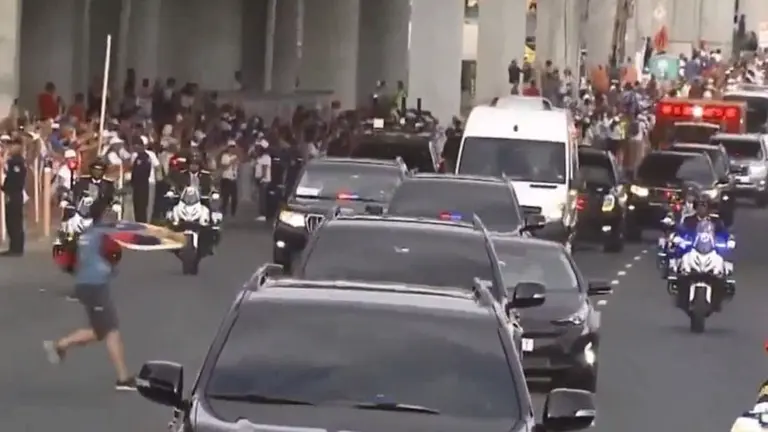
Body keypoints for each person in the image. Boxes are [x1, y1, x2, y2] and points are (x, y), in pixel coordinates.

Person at [43, 209, 136, 391]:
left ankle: (60, 345)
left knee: (100, 331)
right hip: (96, 286)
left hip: (84, 284)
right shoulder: (105, 235)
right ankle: (123, 379)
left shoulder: (88, 234)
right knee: (111, 330)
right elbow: (118, 250)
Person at [1, 139, 26, 256]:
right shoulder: (14, 162)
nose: (9, 148)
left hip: (14, 194)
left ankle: (16, 248)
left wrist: (6, 188)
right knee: (12, 220)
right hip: (12, 193)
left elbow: (15, 180)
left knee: (14, 221)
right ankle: (14, 247)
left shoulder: (16, 162)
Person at [130, 135, 160, 223]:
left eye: (140, 144)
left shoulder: (150, 154)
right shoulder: (134, 155)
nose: (137, 146)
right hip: (137, 184)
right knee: (137, 205)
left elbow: (157, 167)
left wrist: (159, 179)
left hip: (149, 182)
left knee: (147, 205)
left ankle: (147, 223)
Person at [218, 140, 239, 217]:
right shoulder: (224, 156)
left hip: (233, 178)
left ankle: (233, 212)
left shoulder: (236, 157)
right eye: (231, 147)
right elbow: (223, 167)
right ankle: (223, 211)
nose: (232, 149)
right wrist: (231, 162)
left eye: (233, 147)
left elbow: (237, 167)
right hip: (226, 178)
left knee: (235, 197)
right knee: (225, 197)